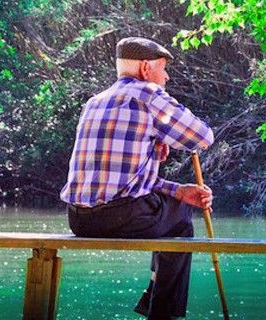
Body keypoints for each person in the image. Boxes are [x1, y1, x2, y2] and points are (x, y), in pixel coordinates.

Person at [59, 36, 215, 320]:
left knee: (175, 203)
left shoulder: (95, 102)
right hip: (120, 216)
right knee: (180, 220)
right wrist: (164, 131)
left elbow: (123, 178)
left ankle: (153, 299)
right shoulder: (149, 95)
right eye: (163, 68)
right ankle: (162, 313)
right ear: (145, 68)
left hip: (78, 219)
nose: (166, 76)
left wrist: (177, 189)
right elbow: (203, 137)